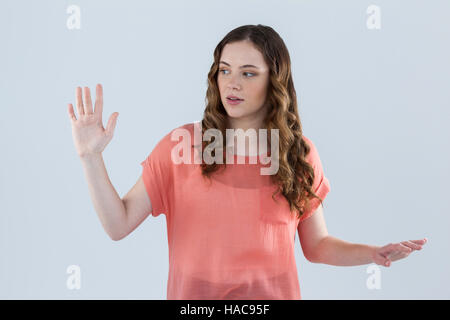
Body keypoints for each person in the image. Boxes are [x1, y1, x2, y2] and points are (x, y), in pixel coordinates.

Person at [67, 24, 427, 300]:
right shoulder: (181, 146)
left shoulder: (298, 154)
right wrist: (90, 157)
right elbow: (118, 224)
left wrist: (374, 254)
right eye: (225, 70)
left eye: (248, 72)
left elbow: (317, 246)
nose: (232, 83)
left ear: (275, 81)